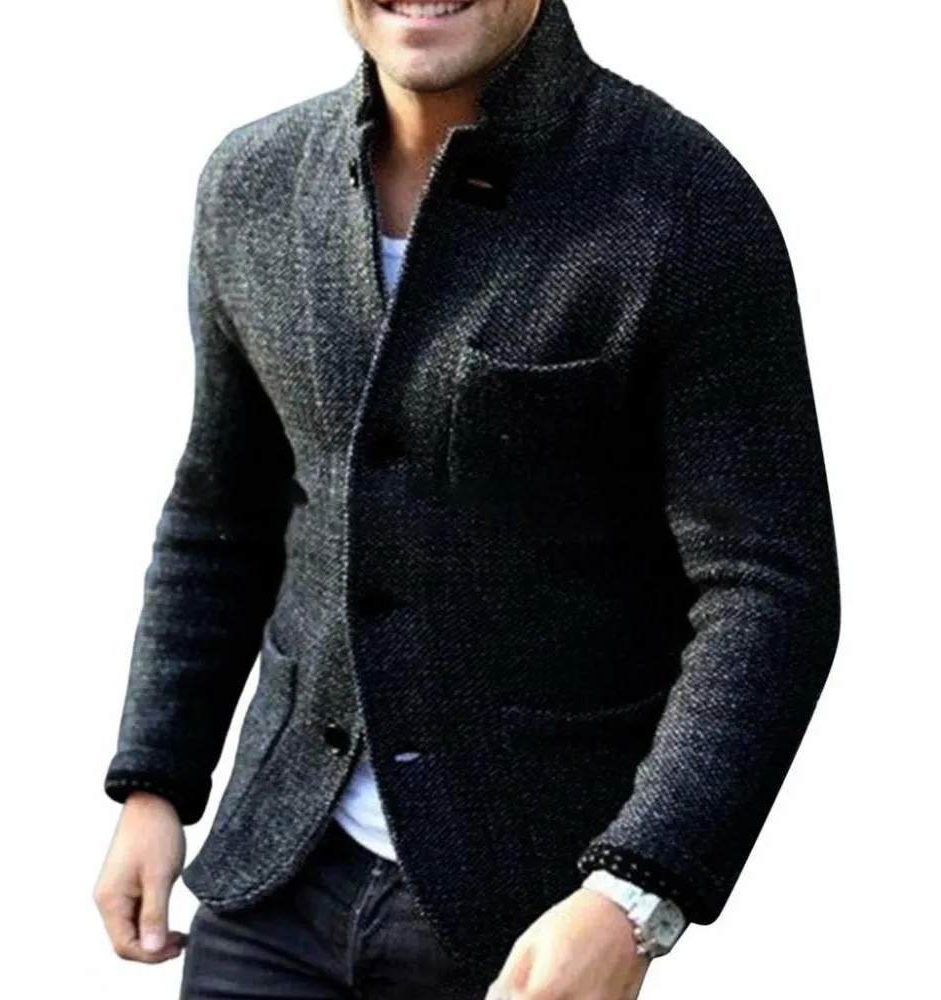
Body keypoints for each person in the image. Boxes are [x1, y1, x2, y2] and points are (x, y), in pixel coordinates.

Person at [93, 1, 841, 997]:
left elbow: (767, 586)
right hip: (273, 878)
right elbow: (222, 513)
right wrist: (156, 779)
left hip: (530, 908)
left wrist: (636, 890)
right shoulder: (252, 181)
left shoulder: (682, 202)